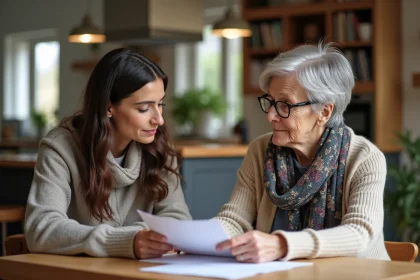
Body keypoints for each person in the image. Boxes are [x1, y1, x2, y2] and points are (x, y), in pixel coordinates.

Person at [215, 42, 390, 263]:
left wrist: (282, 245)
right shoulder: (260, 151)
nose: (270, 116)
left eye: (285, 105)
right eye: (270, 101)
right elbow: (234, 220)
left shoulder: (364, 158)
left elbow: (359, 234)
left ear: (324, 112)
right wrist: (195, 240)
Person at [24, 48, 191, 259]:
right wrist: (128, 239)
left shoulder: (159, 148)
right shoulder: (60, 147)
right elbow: (41, 228)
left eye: (160, 104)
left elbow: (180, 220)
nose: (159, 119)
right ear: (108, 108)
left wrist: (139, 238)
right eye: (144, 108)